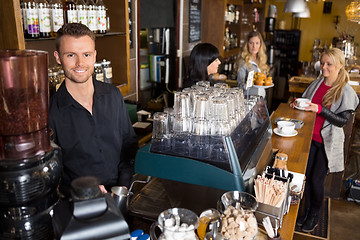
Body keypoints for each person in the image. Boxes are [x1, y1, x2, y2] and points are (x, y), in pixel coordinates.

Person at [49, 23, 138, 197]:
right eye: (70, 55)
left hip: (120, 197)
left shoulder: (113, 95)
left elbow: (129, 146)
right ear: (58, 57)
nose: (80, 63)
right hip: (78, 206)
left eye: (86, 54)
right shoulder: (51, 112)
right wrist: (84, 191)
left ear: (94, 56)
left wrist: (123, 188)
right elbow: (52, 175)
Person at [290, 48, 359, 233]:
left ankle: (314, 214)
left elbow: (342, 121)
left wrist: (320, 109)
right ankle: (304, 212)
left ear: (339, 66)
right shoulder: (317, 83)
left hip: (327, 143)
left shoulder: (345, 91)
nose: (324, 67)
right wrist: (297, 103)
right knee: (305, 178)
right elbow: (306, 102)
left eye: (329, 64)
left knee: (316, 180)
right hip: (308, 138)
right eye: (322, 63)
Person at [236, 31, 269, 98]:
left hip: (261, 99)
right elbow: (240, 86)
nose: (254, 46)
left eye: (257, 43)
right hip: (248, 100)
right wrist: (248, 83)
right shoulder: (243, 62)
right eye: (251, 43)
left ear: (260, 45)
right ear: (247, 44)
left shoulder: (261, 60)